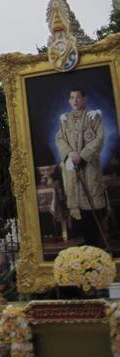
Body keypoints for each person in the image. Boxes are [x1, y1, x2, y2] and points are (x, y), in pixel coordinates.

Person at [55, 87, 107, 248]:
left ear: (84, 99)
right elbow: (60, 138)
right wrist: (70, 153)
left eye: (78, 97)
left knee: (92, 209)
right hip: (72, 168)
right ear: (69, 101)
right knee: (78, 214)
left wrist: (82, 155)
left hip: (89, 167)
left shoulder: (94, 117)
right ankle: (85, 245)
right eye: (72, 97)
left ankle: (96, 245)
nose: (75, 100)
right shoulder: (65, 120)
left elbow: (99, 139)